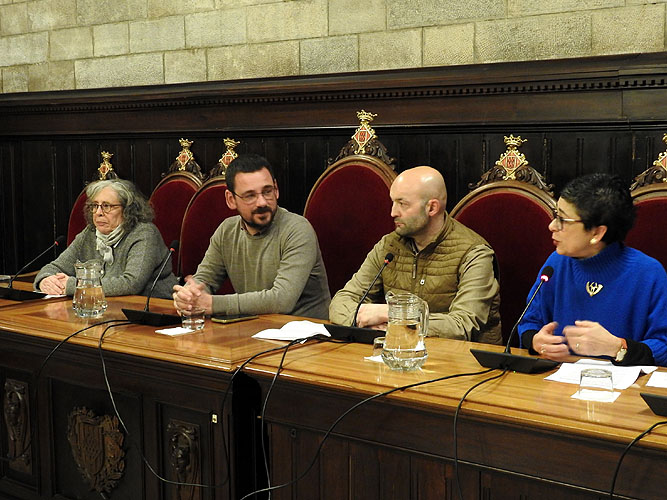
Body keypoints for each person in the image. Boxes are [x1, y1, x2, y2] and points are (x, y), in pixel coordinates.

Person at [329, 166, 502, 344]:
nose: (393, 212)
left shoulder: (473, 252)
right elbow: (340, 302)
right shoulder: (389, 245)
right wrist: (362, 320)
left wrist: (393, 314)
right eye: (393, 202)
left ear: (432, 208)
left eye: (402, 204)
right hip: (399, 351)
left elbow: (462, 325)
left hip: (460, 356)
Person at [519, 173, 667, 366]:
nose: (551, 226)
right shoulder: (556, 263)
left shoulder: (648, 273)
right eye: (555, 215)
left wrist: (618, 347)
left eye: (562, 219)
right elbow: (528, 323)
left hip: (623, 382)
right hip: (556, 377)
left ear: (597, 232)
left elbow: (663, 346)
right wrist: (536, 341)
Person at [172, 153, 330, 319]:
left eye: (267, 192)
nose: (262, 202)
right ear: (231, 199)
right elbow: (204, 279)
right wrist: (189, 297)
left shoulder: (298, 229)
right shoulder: (227, 230)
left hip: (305, 330)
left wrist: (212, 304)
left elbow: (282, 300)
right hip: (253, 327)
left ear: (276, 190)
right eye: (250, 196)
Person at [35, 178, 177, 298]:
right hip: (106, 306)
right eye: (95, 206)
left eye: (106, 206)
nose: (98, 212)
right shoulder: (90, 233)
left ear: (128, 210)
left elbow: (131, 284)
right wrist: (45, 280)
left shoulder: (144, 233)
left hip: (152, 309)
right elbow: (55, 267)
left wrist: (74, 285)